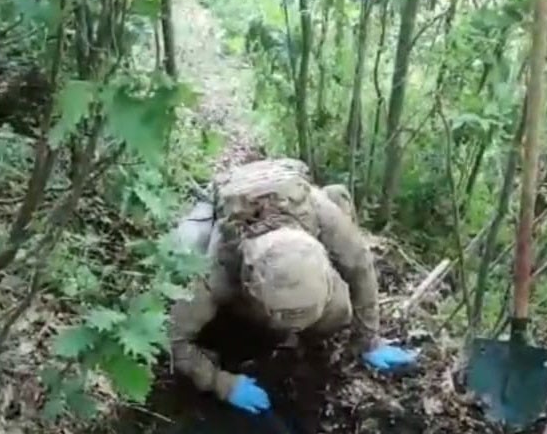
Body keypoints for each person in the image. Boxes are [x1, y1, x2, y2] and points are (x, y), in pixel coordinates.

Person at [168, 157, 417, 414]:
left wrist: (368, 341)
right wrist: (222, 383)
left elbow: (360, 265)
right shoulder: (218, 269)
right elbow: (175, 339)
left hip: (292, 193)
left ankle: (306, 333)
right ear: (250, 287)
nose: (296, 327)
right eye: (287, 319)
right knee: (187, 243)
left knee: (339, 308)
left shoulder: (320, 214)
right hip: (230, 201)